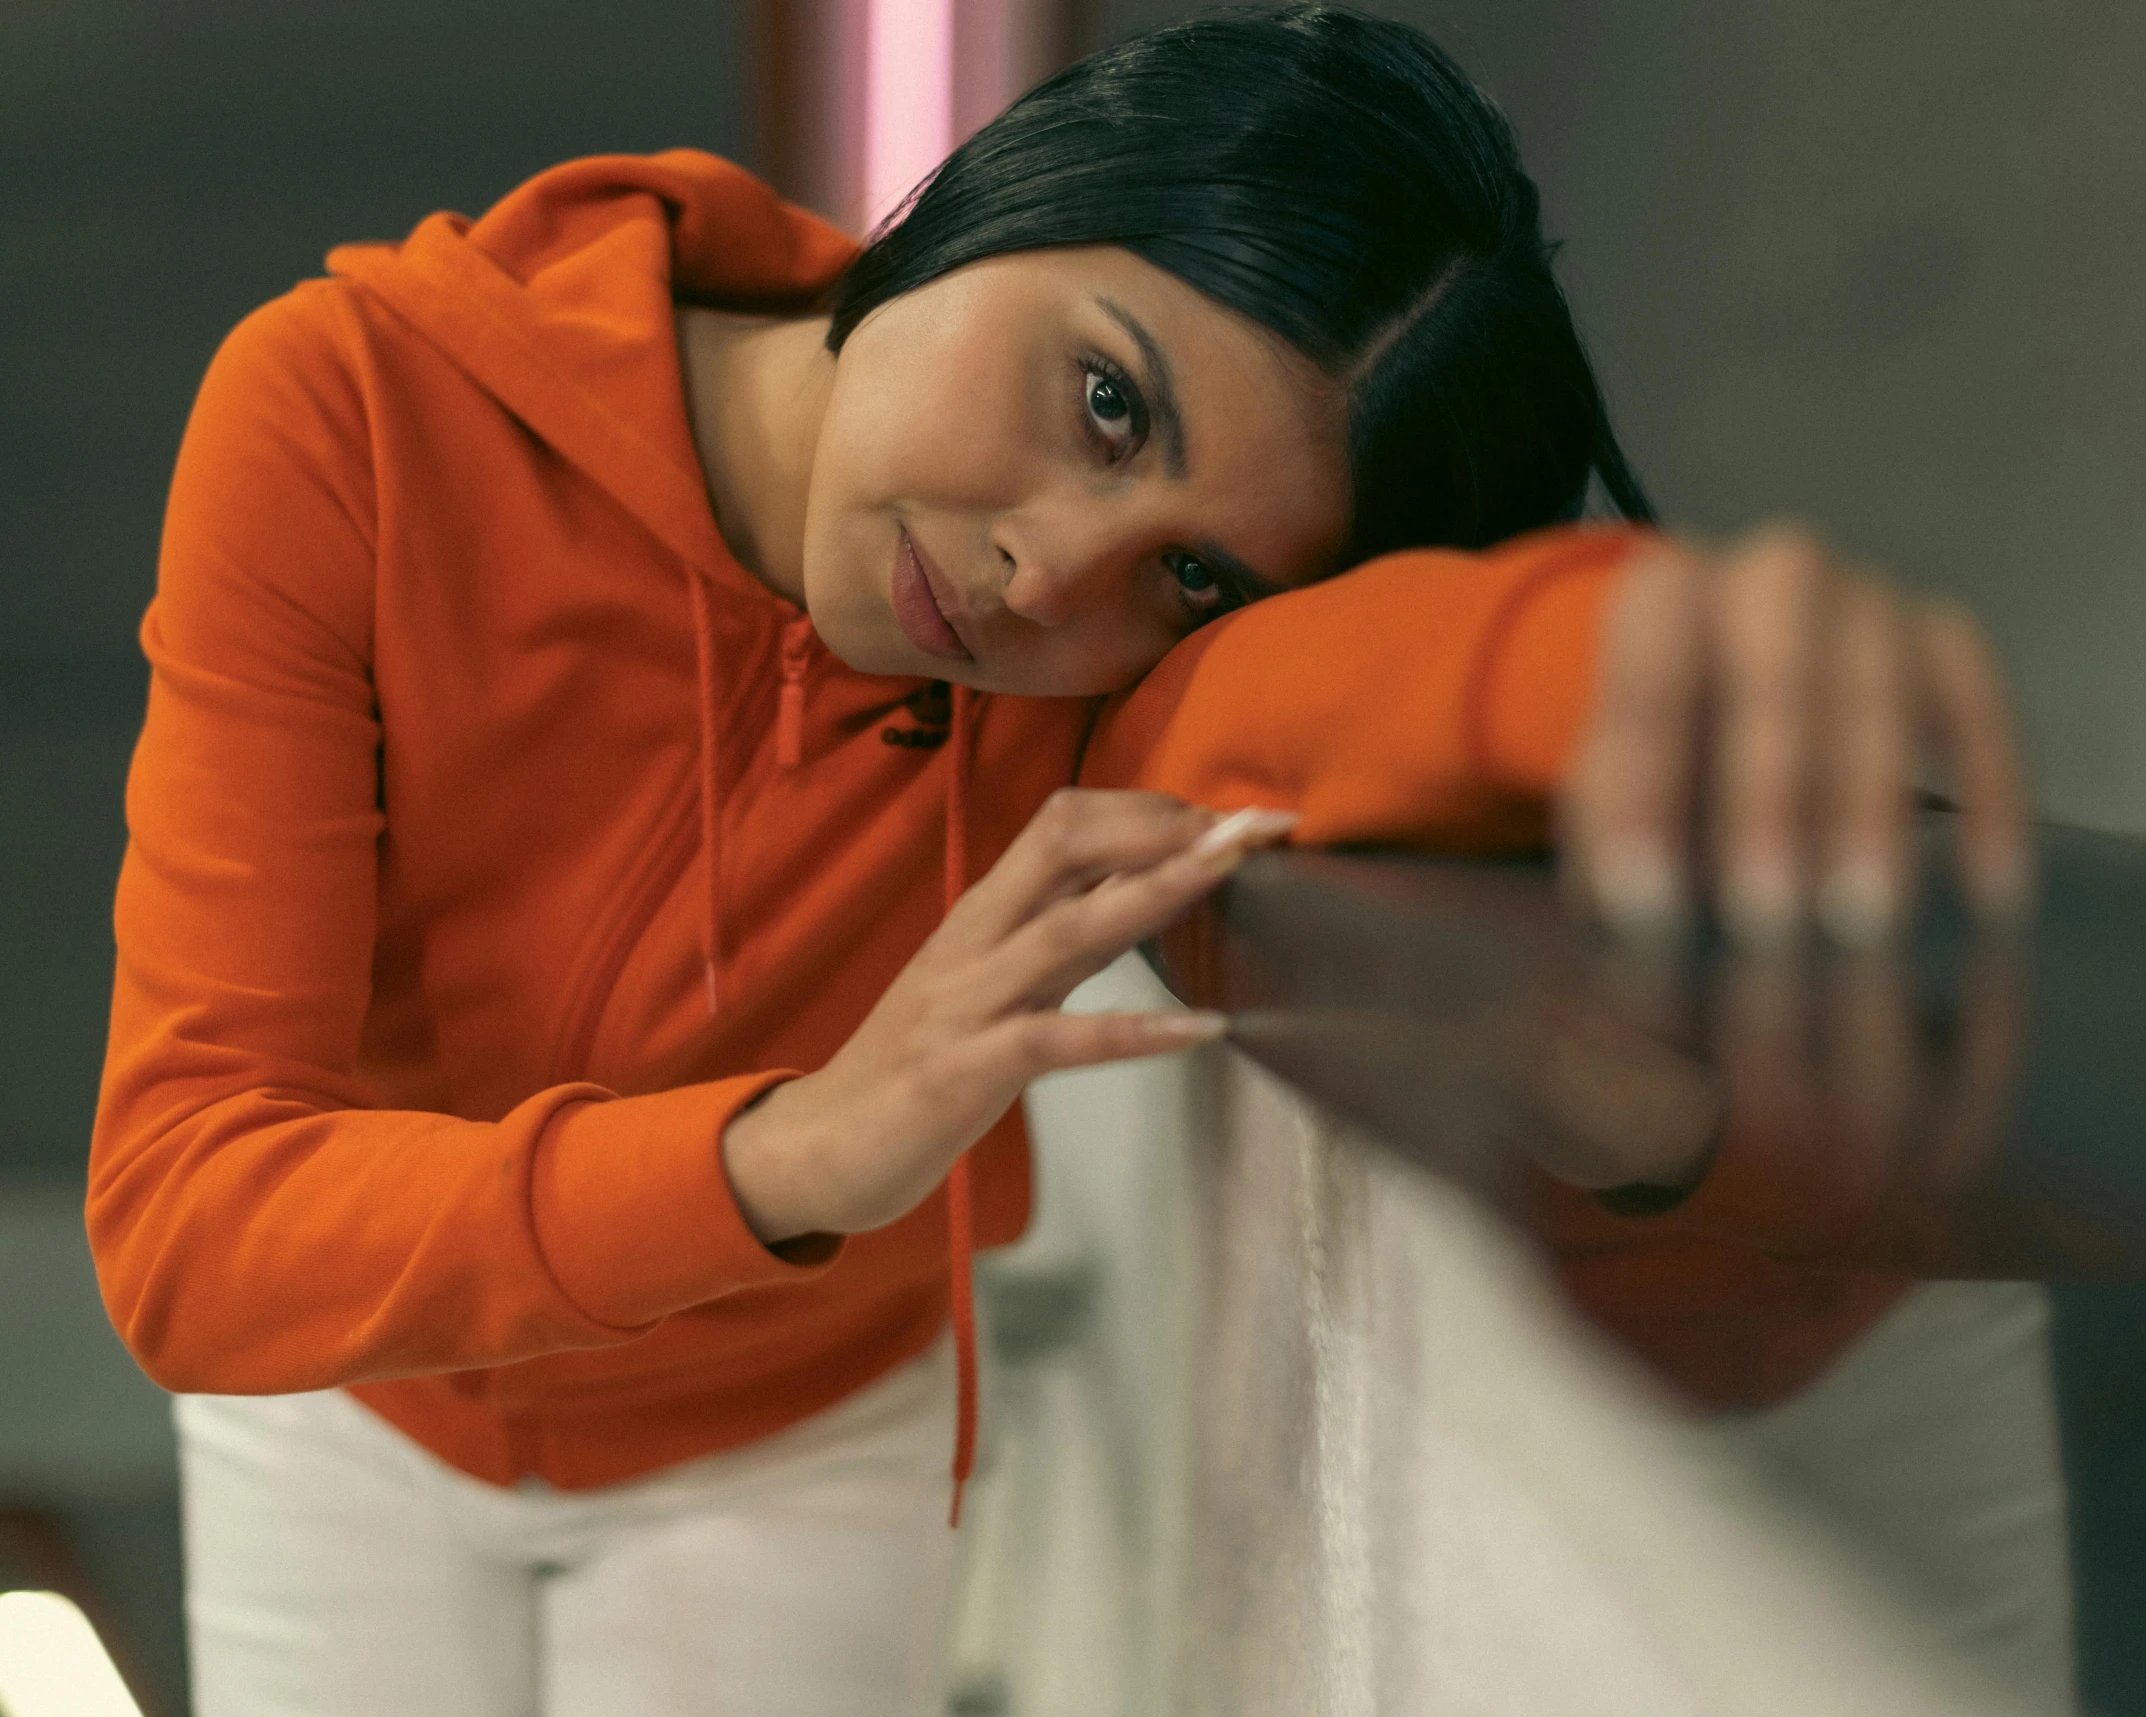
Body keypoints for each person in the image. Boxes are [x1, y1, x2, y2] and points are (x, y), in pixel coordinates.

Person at [87, 6, 2028, 1713]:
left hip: (794, 1424)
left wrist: (1605, 656)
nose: (1046, 574)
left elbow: (1328, 683)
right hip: (361, 1398)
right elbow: (188, 1225)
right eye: (1104, 399)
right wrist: (793, 1153)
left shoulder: (1100, 682)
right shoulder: (355, 405)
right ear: (1011, 186)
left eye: (1186, 570)